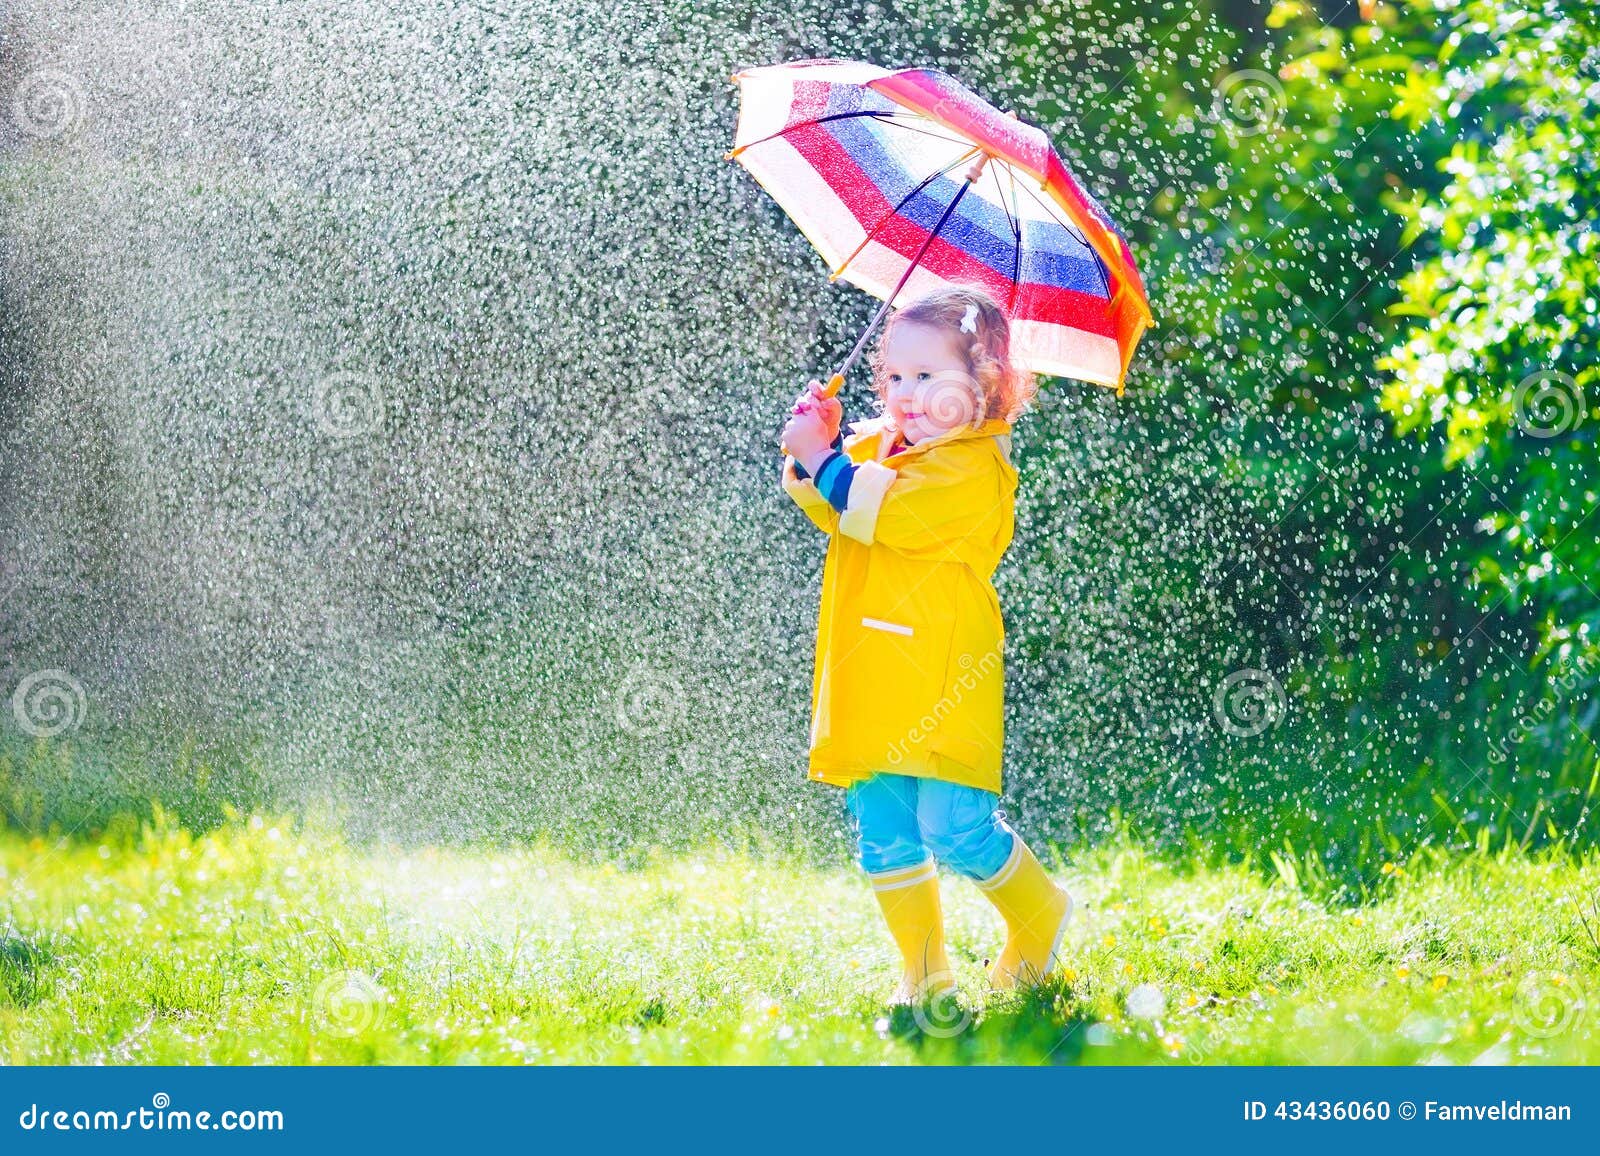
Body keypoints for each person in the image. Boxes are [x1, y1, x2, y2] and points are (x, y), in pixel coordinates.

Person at [779, 283, 1073, 1004]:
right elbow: (824, 498)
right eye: (895, 376)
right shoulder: (888, 442)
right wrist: (812, 442)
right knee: (882, 825)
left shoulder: (975, 466)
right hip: (872, 666)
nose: (906, 394)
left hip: (944, 672)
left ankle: (1040, 916)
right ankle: (924, 973)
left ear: (985, 382)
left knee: (954, 825)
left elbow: (876, 510)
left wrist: (827, 460)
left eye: (928, 377)